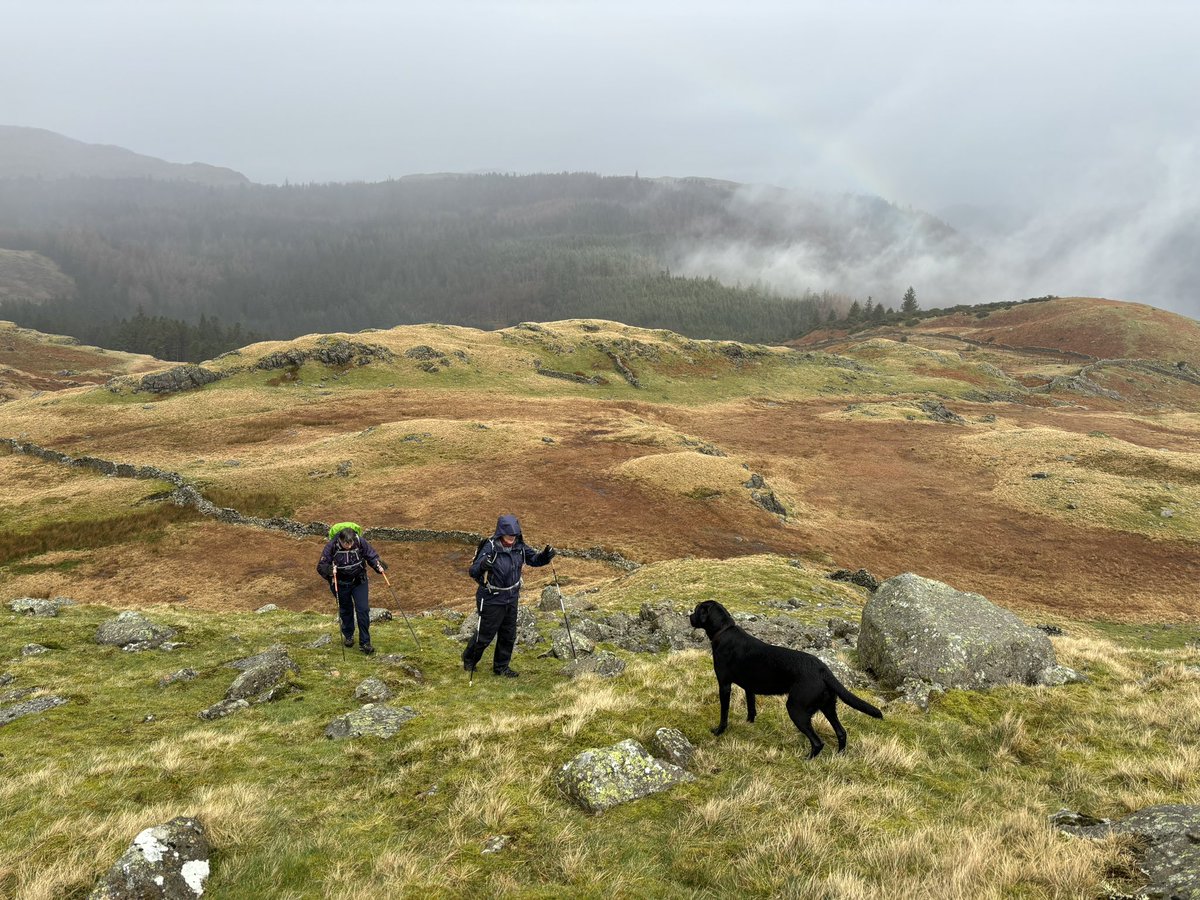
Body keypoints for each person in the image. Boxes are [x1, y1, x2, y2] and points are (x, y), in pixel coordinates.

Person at [463, 514, 555, 677]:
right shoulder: (490, 547)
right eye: (508, 535)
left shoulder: (519, 546)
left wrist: (545, 556)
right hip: (491, 598)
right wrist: (484, 564)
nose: (511, 538)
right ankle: (469, 659)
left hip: (511, 597)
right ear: (500, 533)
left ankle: (501, 668)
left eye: (514, 535)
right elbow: (473, 571)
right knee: (485, 635)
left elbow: (533, 559)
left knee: (508, 635)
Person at [317, 525, 386, 655]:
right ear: (340, 540)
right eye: (345, 544)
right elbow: (321, 566)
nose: (348, 546)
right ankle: (348, 635)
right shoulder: (331, 546)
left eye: (350, 543)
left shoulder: (359, 541)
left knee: (363, 610)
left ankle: (365, 643)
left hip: (359, 581)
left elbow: (371, 555)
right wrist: (330, 571)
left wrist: (378, 566)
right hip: (341, 584)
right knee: (345, 610)